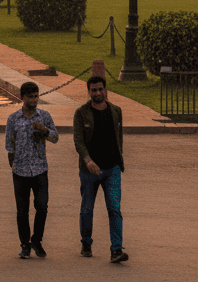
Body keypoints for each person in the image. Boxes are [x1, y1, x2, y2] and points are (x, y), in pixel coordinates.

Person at [74, 76, 128, 263]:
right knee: (87, 209)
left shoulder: (116, 111)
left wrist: (119, 161)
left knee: (114, 208)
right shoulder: (81, 112)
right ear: (88, 92)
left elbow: (118, 138)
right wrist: (88, 160)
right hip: (89, 170)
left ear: (105, 90)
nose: (97, 93)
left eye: (100, 89)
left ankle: (116, 249)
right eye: (93, 90)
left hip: (112, 168)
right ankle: (86, 243)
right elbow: (79, 141)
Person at [4, 80, 58, 259]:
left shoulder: (44, 116)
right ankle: (25, 244)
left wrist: (43, 130)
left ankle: (37, 240)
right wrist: (14, 163)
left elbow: (55, 137)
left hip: (40, 169)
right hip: (20, 171)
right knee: (22, 210)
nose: (34, 100)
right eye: (30, 97)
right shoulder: (13, 119)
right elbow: (9, 144)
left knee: (42, 207)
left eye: (36, 96)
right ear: (22, 98)